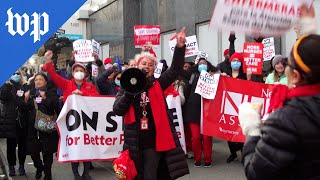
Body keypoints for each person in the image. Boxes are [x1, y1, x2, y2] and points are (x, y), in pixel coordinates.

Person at [239, 33, 320, 180]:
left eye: (288, 63)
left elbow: (257, 174)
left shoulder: (285, 119)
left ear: (295, 76)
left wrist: (252, 129)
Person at [113, 27, 189, 180]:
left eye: (150, 65)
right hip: (134, 144)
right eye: (144, 64)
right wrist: (130, 91)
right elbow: (118, 110)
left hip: (153, 144)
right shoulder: (126, 85)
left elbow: (174, 69)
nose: (146, 67)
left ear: (154, 69)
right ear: (138, 66)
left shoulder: (158, 84)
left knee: (150, 176)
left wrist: (180, 48)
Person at [42, 50, 99, 180]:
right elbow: (53, 75)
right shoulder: (66, 84)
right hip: (72, 122)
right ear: (72, 73)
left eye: (81, 70)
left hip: (87, 122)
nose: (78, 72)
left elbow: (97, 99)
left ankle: (86, 173)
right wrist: (48, 61)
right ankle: (76, 174)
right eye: (76, 70)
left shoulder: (90, 86)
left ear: (85, 73)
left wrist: (83, 95)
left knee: (86, 147)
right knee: (75, 147)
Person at [23, 73, 59, 180]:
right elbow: (23, 108)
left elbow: (54, 106)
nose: (38, 81)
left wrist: (44, 97)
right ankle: (39, 168)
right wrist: (25, 99)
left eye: (41, 79)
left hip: (47, 128)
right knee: (33, 152)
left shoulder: (51, 92)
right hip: (33, 128)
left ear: (45, 81)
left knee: (47, 153)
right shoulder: (31, 92)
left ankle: (48, 174)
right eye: (36, 80)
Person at [183, 58, 217, 168]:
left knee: (207, 137)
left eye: (204, 63)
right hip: (193, 111)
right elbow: (187, 92)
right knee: (196, 137)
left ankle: (208, 159)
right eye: (200, 64)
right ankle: (197, 159)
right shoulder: (192, 76)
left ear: (208, 65)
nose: (202, 65)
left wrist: (217, 77)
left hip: (208, 111)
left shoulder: (214, 76)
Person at [222, 52, 251, 163]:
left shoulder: (244, 74)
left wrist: (248, 78)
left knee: (242, 131)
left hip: (241, 106)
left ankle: (244, 154)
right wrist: (222, 78)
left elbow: (250, 89)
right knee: (229, 131)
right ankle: (233, 153)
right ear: (230, 62)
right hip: (229, 106)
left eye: (238, 61)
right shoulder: (227, 74)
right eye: (234, 61)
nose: (236, 63)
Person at [0, 70, 28, 177]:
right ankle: (11, 166)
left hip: (22, 120)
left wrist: (24, 101)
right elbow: (3, 97)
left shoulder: (24, 86)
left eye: (17, 73)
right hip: (10, 120)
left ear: (20, 75)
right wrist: (7, 83)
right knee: (11, 145)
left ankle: (21, 166)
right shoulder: (6, 86)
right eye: (13, 73)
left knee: (22, 145)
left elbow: (28, 103)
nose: (15, 75)